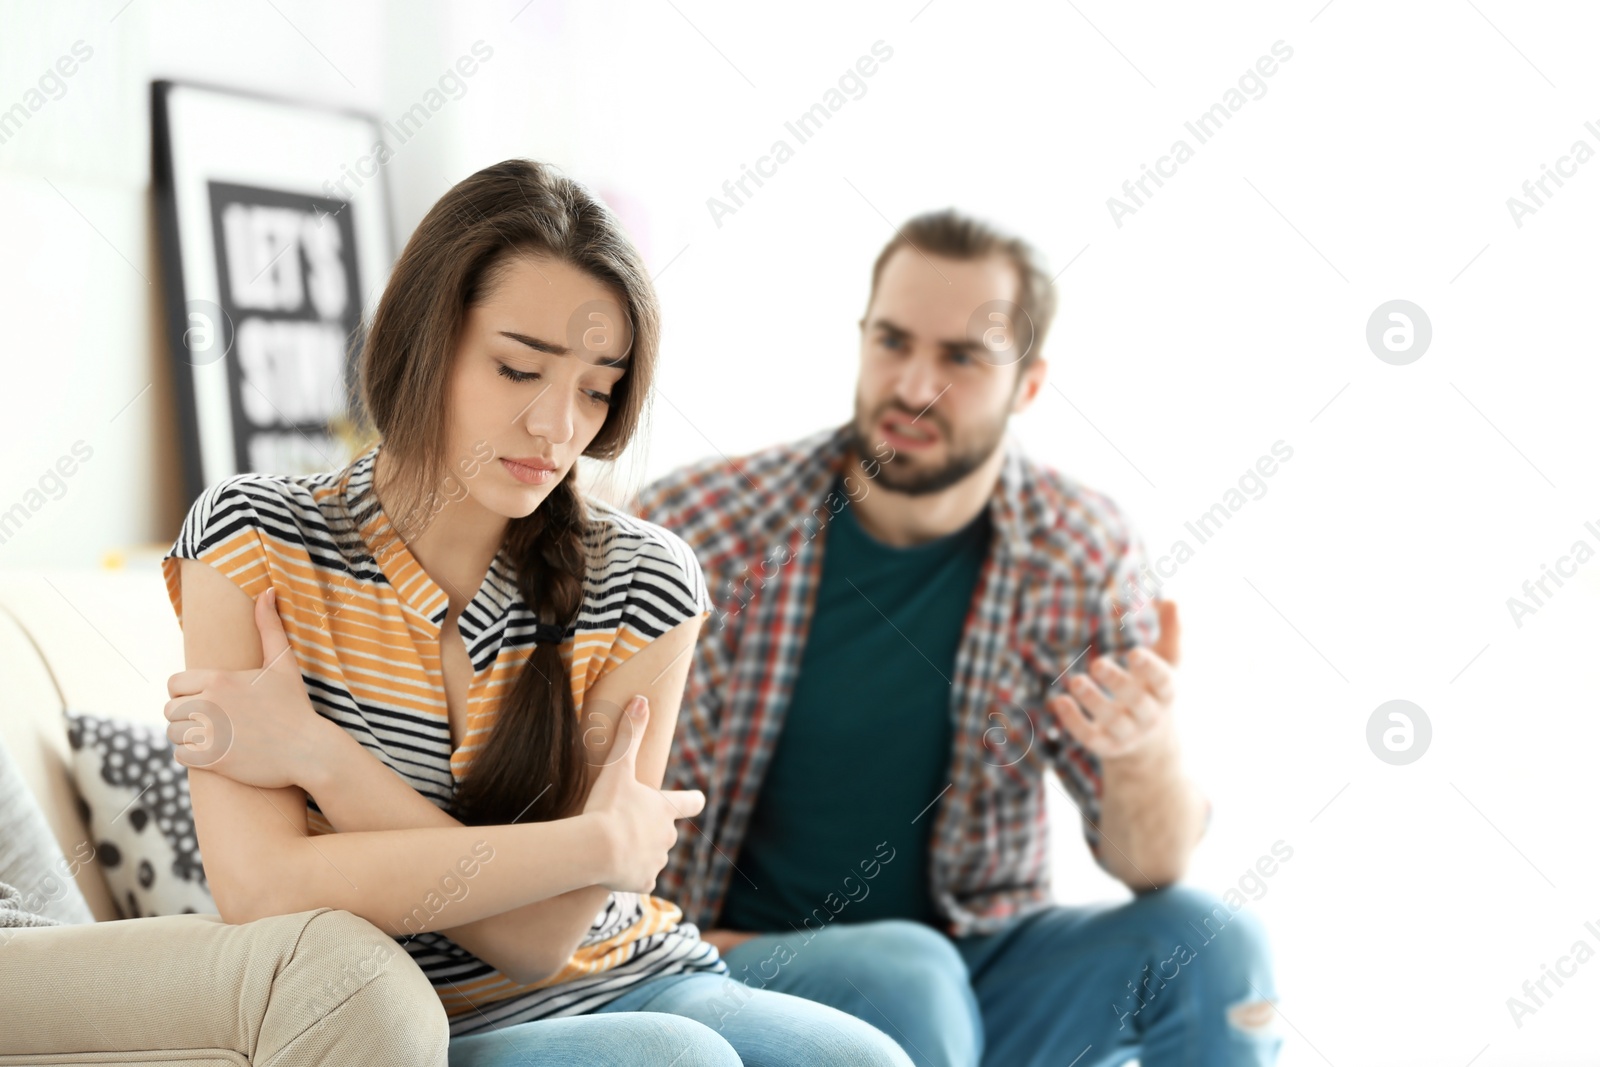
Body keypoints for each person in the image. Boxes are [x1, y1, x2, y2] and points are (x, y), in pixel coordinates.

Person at [160, 159, 910, 1067]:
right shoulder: (256, 534)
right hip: (397, 1015)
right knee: (675, 1060)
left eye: (597, 388)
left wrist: (324, 758)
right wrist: (592, 844)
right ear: (426, 340)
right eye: (520, 370)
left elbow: (543, 939)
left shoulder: (647, 581)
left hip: (638, 974)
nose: (559, 428)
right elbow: (261, 885)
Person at [633, 209, 1282, 1067]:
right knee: (909, 972)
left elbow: (1151, 863)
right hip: (728, 961)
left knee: (1216, 944)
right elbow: (564, 786)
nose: (913, 385)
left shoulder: (1079, 549)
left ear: (1030, 384)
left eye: (962, 359)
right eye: (893, 343)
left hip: (977, 970)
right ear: (862, 338)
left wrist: (1144, 747)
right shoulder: (699, 527)